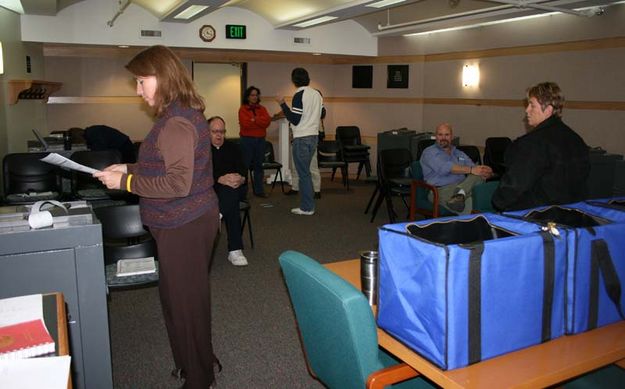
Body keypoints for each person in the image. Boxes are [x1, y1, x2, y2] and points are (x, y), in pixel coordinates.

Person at [94, 45, 220, 389]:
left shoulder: (176, 122)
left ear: (162, 77)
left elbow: (177, 183)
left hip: (185, 223)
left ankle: (199, 377)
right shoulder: (176, 115)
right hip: (180, 222)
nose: (138, 90)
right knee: (177, 298)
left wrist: (126, 180)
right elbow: (165, 165)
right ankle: (192, 361)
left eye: (141, 81)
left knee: (186, 302)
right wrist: (130, 166)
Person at [492, 82, 590, 211]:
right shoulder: (576, 139)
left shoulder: (533, 143)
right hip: (573, 215)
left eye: (532, 105)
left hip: (536, 219)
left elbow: (514, 187)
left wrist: (498, 202)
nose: (527, 110)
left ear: (548, 110)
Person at [277, 68, 324, 215]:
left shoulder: (299, 94)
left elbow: (295, 119)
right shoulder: (317, 93)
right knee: (306, 173)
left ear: (294, 80)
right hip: (314, 137)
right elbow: (323, 113)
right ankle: (308, 205)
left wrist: (282, 104)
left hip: (302, 138)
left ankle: (307, 207)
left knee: (303, 174)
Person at [420, 123, 493, 214]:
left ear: (452, 137)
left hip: (462, 187)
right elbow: (445, 168)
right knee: (473, 202)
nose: (443, 138)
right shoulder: (429, 152)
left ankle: (460, 194)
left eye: (447, 135)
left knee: (478, 176)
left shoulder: (458, 153)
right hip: (440, 191)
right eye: (440, 135)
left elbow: (473, 166)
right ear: (436, 136)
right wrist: (471, 170)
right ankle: (461, 194)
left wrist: (486, 171)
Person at [209, 116, 249, 266]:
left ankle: (217, 216)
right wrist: (220, 178)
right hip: (212, 189)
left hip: (236, 188)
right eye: (215, 131)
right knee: (231, 201)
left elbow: (243, 170)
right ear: (207, 132)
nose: (219, 135)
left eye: (222, 131)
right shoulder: (201, 150)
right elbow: (200, 175)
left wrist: (240, 178)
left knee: (231, 192)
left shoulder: (234, 147)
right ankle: (235, 250)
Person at [238, 86, 272, 198]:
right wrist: (259, 121)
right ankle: (242, 193)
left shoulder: (262, 109)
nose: (255, 97)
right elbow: (245, 124)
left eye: (256, 95)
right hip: (247, 140)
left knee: (258, 166)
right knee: (244, 166)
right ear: (248, 97)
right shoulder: (242, 109)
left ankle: (259, 191)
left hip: (260, 141)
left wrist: (254, 120)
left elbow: (267, 122)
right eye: (252, 95)